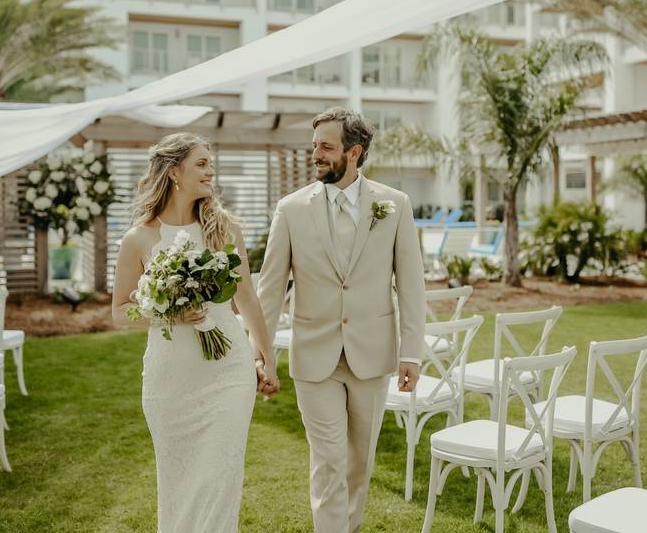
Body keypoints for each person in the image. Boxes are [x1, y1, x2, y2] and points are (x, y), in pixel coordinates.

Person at [257, 107, 426, 533]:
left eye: (326, 147)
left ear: (355, 152)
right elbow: (271, 289)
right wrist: (260, 353)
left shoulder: (395, 205)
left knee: (358, 465)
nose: (316, 154)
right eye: (314, 146)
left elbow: (411, 286)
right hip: (315, 357)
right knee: (328, 462)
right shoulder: (291, 209)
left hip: (372, 356)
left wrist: (412, 353)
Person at [111, 133, 278, 533]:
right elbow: (119, 312)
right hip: (171, 380)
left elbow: (247, 301)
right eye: (202, 163)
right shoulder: (139, 238)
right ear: (174, 172)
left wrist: (266, 360)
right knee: (179, 483)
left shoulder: (225, 230)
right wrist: (167, 313)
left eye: (210, 162)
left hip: (228, 374)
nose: (211, 170)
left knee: (219, 482)